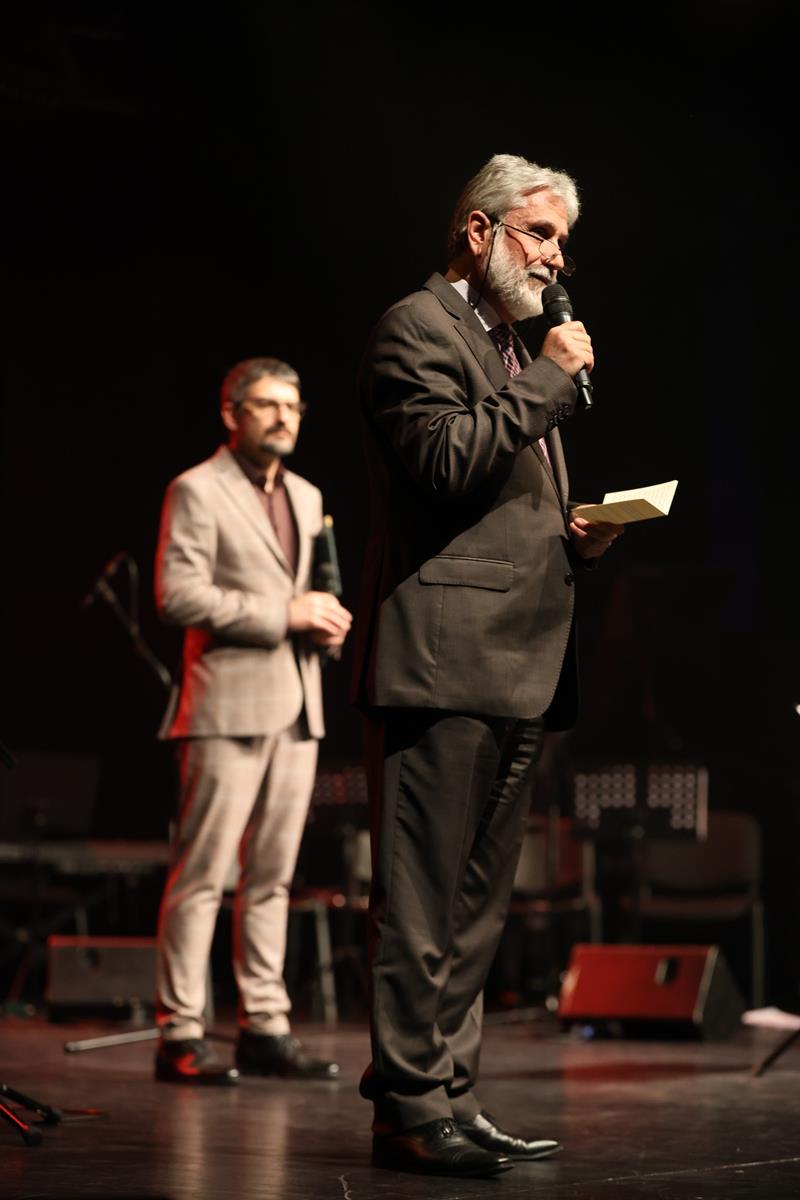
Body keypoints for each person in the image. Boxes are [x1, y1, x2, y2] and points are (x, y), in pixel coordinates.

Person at [350, 153, 622, 1177]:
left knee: (474, 910)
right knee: (420, 903)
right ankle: (407, 1105)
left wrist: (575, 535)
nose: (554, 259)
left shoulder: (508, 347)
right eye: (538, 234)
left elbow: (501, 495)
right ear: (478, 231)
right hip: (441, 659)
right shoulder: (417, 328)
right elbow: (439, 461)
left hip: (519, 659)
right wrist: (549, 379)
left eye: (561, 243)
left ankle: (452, 1096)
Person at [153, 356, 352, 1085]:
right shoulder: (197, 489)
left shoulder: (306, 494)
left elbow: (308, 591)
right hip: (226, 706)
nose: (283, 417)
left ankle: (264, 1025)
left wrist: (324, 623)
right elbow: (177, 594)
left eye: (293, 406)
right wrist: (285, 614)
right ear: (232, 413)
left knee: (272, 878)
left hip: (297, 706)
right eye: (268, 405)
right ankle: (180, 1030)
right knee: (203, 875)